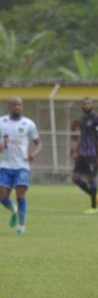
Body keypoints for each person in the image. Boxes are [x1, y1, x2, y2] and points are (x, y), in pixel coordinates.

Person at [0, 97, 42, 235]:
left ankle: (21, 225)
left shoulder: (28, 123)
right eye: (13, 105)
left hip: (22, 165)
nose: (16, 107)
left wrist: (33, 154)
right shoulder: (2, 122)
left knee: (20, 194)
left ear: (21, 107)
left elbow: (39, 143)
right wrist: (2, 144)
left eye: (18, 105)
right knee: (3, 196)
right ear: (9, 106)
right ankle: (14, 210)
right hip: (4, 165)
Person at [71, 97, 98, 214]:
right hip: (82, 154)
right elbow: (81, 137)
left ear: (92, 106)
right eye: (84, 104)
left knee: (91, 178)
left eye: (89, 103)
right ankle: (95, 196)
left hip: (92, 154)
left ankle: (94, 207)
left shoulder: (97, 120)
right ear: (82, 106)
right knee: (75, 178)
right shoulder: (82, 120)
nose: (86, 105)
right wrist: (76, 151)